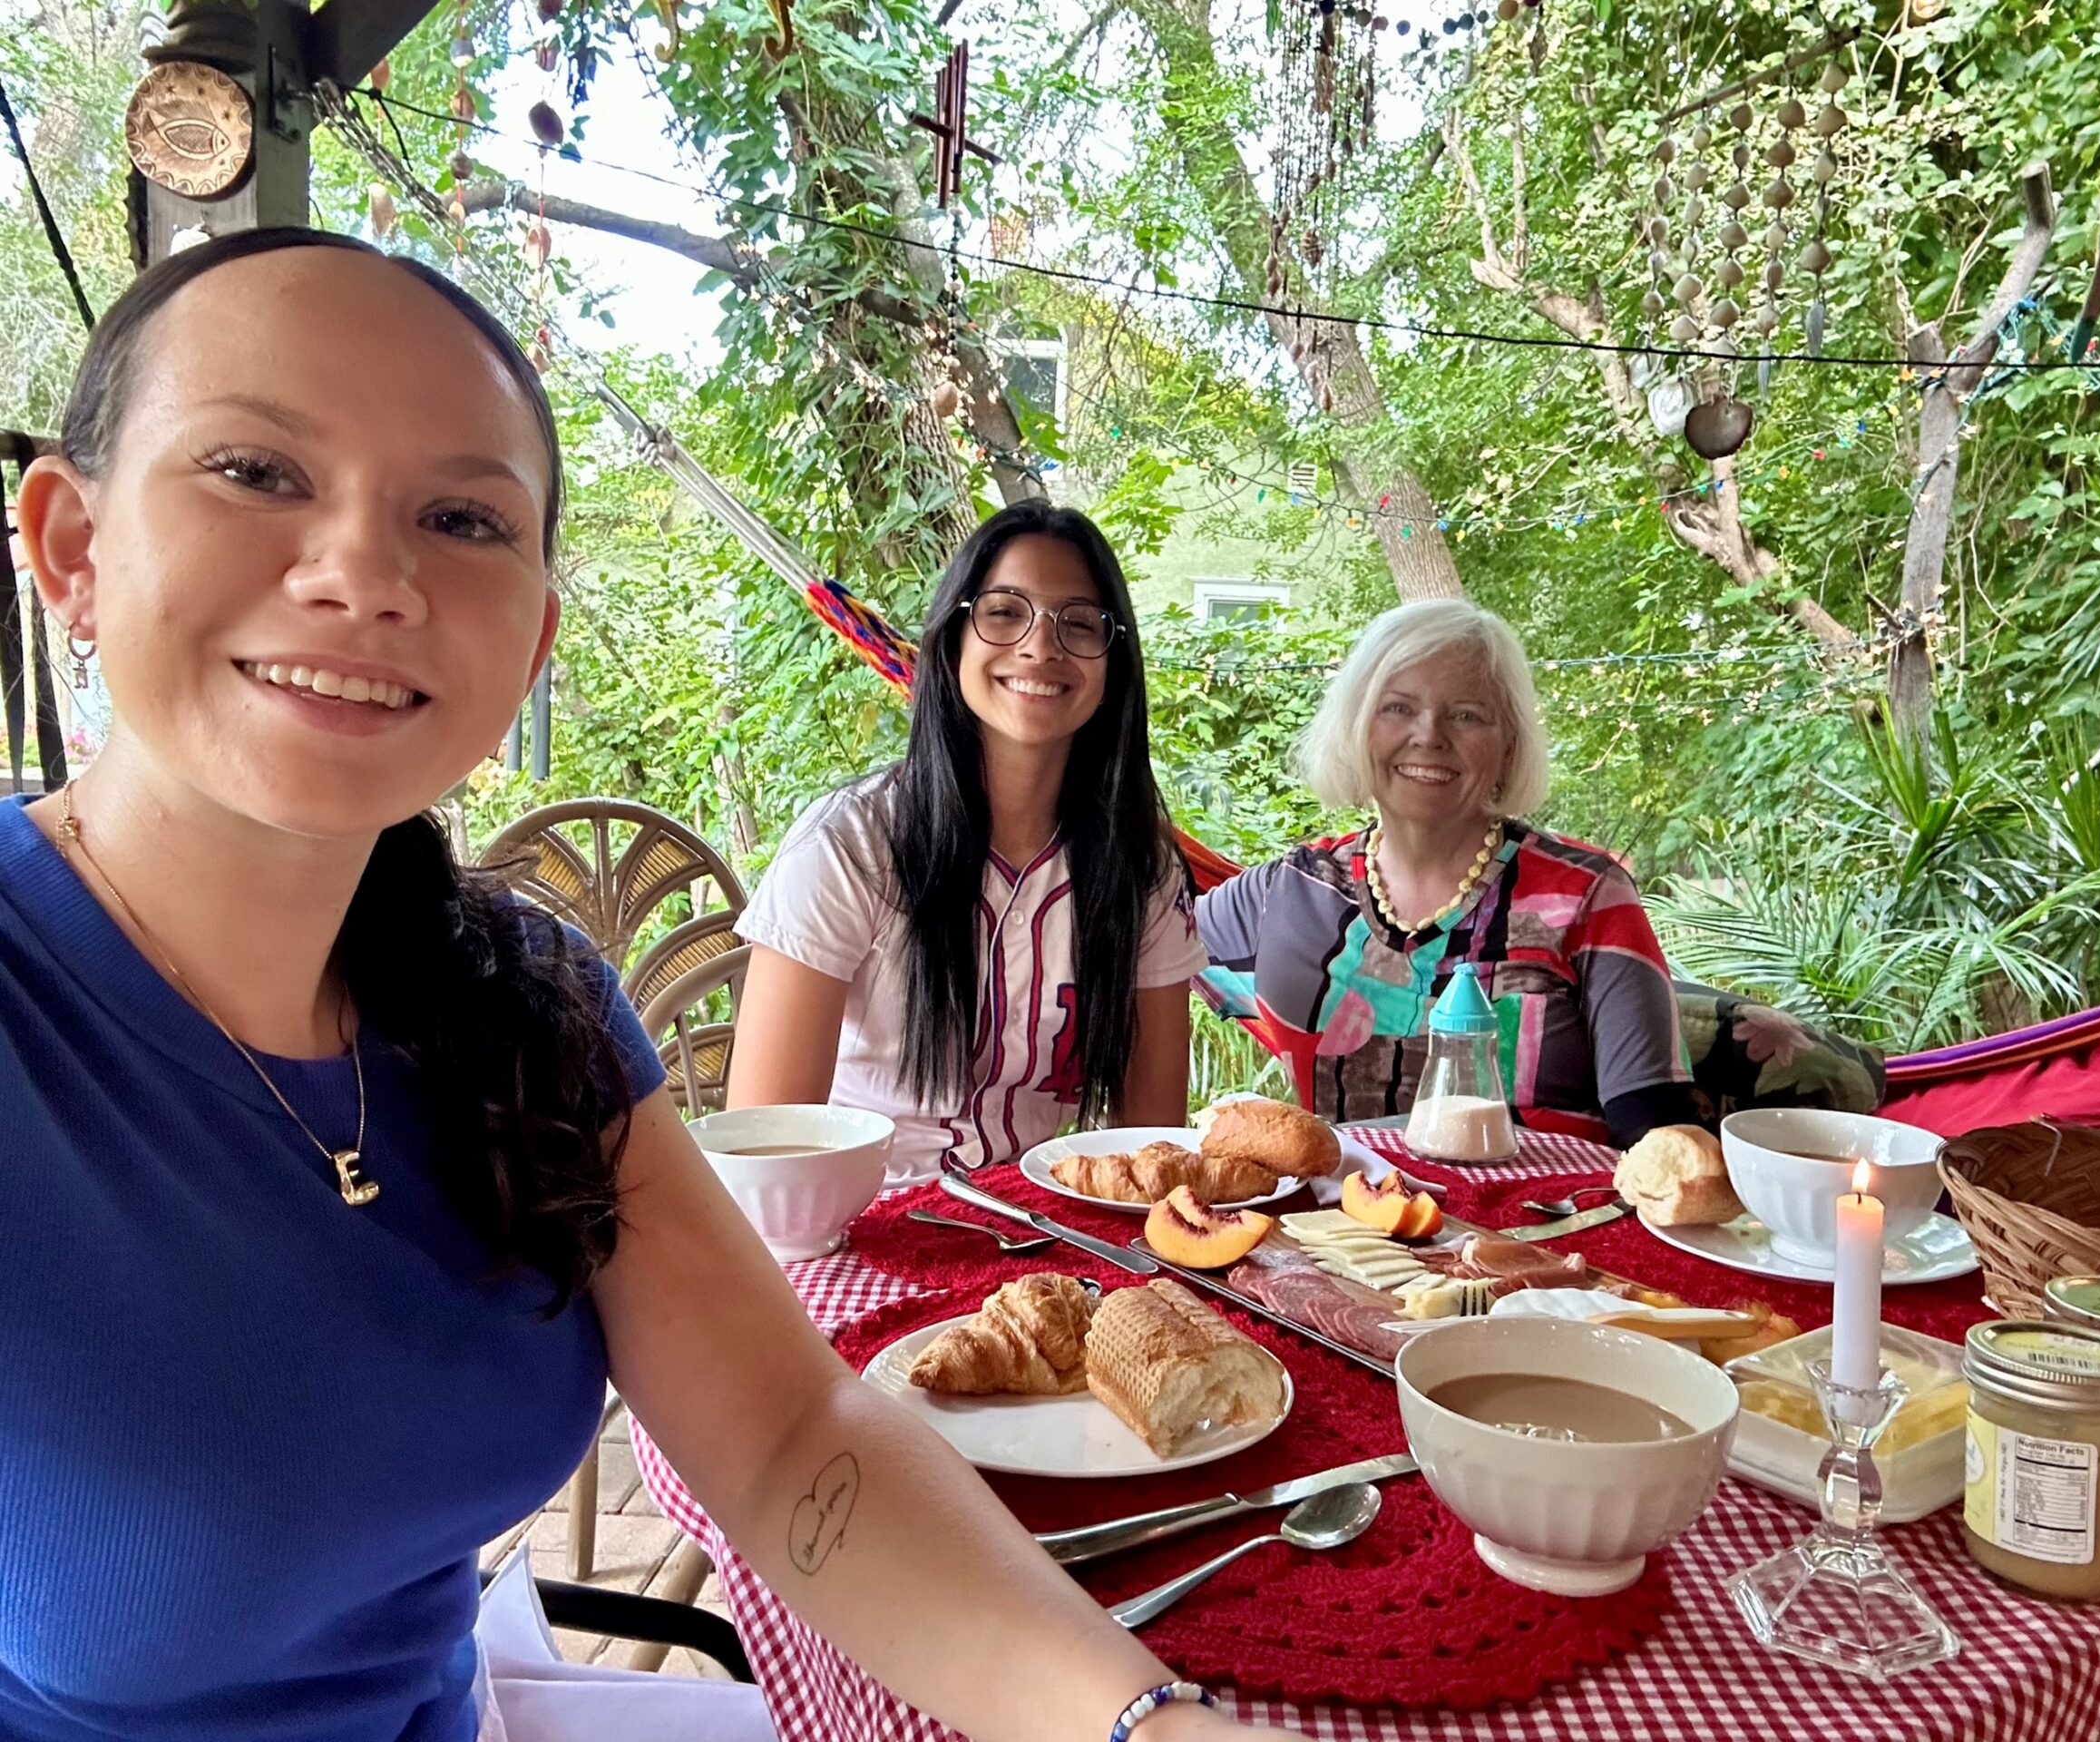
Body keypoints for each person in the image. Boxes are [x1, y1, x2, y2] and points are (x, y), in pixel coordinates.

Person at [0, 227, 1295, 1742]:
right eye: (258, 471)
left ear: (533, 636)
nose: (361, 572)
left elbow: (788, 1438)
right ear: (71, 547)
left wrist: (1144, 1725)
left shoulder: (520, 1005)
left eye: (460, 517)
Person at [725, 501, 1203, 1181]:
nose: (1041, 646)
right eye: (1005, 612)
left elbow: (1150, 1151)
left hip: (1048, 1231)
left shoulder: (1140, 867)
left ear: (1113, 663)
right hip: (859, 1229)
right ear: (952, 642)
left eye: (1078, 623)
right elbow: (766, 1153)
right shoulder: (851, 846)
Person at [1197, 598, 1715, 1153]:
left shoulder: (1587, 895)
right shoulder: (1296, 889)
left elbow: (1657, 1139)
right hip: (1337, 1231)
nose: (1429, 735)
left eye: (1467, 714)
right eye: (1397, 708)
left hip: (1547, 1228)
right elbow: (1132, 954)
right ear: (1355, 727)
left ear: (1509, 744)